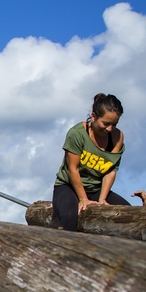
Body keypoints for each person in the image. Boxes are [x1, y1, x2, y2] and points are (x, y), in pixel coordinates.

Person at [52, 93, 130, 231]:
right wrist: (83, 199)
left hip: (96, 189)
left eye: (114, 124)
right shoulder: (77, 134)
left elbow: (111, 170)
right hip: (68, 186)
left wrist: (102, 199)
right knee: (70, 218)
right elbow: (73, 169)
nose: (110, 129)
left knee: (129, 214)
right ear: (93, 116)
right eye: (106, 124)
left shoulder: (118, 137)